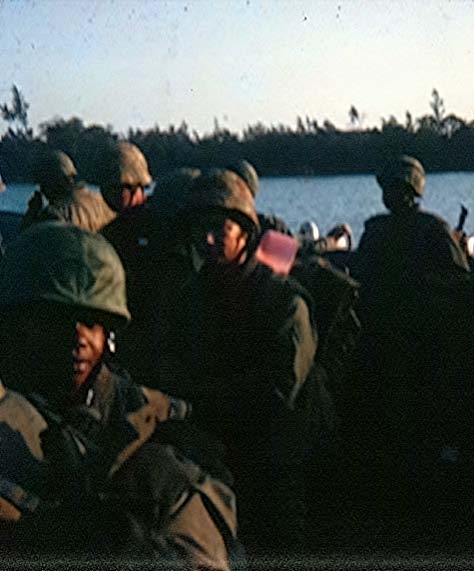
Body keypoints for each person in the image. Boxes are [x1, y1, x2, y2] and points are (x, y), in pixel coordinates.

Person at [0, 222, 240, 567]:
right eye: (57, 319)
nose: (78, 338)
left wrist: (118, 541)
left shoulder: (150, 430)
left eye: (91, 322)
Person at [161, 169, 335, 554]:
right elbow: (171, 363)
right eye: (200, 230)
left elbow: (279, 391)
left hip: (278, 450)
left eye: (219, 229)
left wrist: (202, 400)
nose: (207, 240)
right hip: (217, 444)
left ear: (245, 233)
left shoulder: (284, 302)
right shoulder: (193, 295)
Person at [348, 155, 474, 544]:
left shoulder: (377, 231)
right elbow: (460, 284)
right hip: (417, 349)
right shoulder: (431, 230)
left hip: (389, 345)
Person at [97, 141, 166, 388]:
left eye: (115, 189)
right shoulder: (112, 233)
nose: (107, 196)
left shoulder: (159, 226)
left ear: (135, 187)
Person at [20, 149, 115, 233]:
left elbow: (27, 243)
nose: (43, 190)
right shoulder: (104, 203)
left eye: (44, 184)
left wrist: (31, 216)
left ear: (54, 182)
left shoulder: (54, 215)